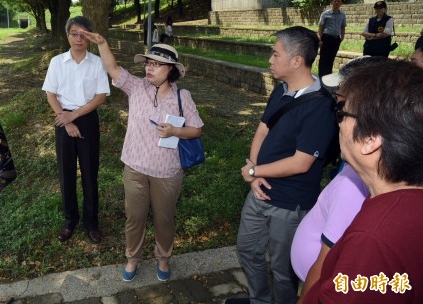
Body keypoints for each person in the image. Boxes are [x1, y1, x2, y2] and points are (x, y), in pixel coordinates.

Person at [228, 26, 338, 304]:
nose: (270, 60)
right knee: (248, 250)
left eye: (276, 54)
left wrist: (254, 171)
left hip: (289, 204)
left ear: (297, 60)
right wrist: (253, 174)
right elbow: (263, 129)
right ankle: (259, 300)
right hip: (259, 192)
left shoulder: (320, 106)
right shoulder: (281, 91)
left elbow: (301, 163)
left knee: (283, 269)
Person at [83, 33, 203, 283]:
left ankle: (163, 258)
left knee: (164, 219)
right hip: (135, 167)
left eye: (156, 64)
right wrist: (103, 43)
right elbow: (113, 68)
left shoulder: (183, 97)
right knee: (134, 217)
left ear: (171, 70)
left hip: (167, 171)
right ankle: (133, 258)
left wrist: (175, 131)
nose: (149, 67)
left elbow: (196, 129)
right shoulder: (136, 87)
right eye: (148, 63)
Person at [302, 60, 423, 304]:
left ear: (370, 138)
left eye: (341, 112)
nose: (337, 123)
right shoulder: (401, 202)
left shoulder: (372, 240)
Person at [291, 56, 392, 303]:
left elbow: (327, 260)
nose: (336, 121)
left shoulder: (355, 184)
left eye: (340, 110)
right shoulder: (360, 169)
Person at [42, 16, 111, 244]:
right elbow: (51, 94)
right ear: (67, 35)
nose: (78, 38)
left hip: (88, 120)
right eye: (74, 33)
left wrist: (75, 116)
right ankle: (70, 221)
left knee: (90, 173)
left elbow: (100, 97)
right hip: (63, 120)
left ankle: (91, 223)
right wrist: (67, 120)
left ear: (90, 37)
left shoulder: (98, 63)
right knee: (66, 173)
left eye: (83, 34)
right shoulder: (56, 62)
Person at [317, 0, 346, 76]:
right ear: (332, 3)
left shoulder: (342, 15)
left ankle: (328, 76)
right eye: (335, 1)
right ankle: (321, 77)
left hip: (336, 39)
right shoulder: (325, 14)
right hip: (326, 38)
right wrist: (319, 39)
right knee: (323, 58)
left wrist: (342, 37)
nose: (336, 3)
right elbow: (321, 27)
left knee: (331, 58)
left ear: (341, 4)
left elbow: (343, 27)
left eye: (338, 1)